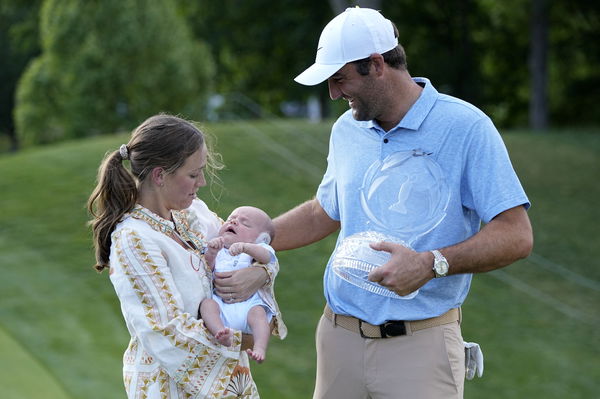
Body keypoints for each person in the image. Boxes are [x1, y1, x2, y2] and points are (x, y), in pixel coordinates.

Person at [271, 7, 533, 399]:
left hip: (421, 348)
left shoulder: (467, 127)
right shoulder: (346, 130)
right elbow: (324, 212)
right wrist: (257, 236)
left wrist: (431, 263)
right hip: (338, 338)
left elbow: (516, 235)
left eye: (340, 79)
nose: (333, 93)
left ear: (376, 65)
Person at [87, 114, 285, 399]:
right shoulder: (134, 239)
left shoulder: (193, 214)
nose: (202, 182)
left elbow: (252, 248)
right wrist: (247, 339)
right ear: (159, 175)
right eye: (193, 174)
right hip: (171, 388)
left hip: (234, 384)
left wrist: (263, 273)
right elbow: (164, 332)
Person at [200, 206, 283, 363]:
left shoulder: (258, 248)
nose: (234, 221)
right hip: (221, 306)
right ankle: (220, 332)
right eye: (231, 218)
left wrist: (247, 248)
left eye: (245, 223)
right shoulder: (220, 249)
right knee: (207, 305)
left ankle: (259, 347)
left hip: (248, 306)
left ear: (261, 239)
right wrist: (211, 253)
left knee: (259, 314)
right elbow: (207, 269)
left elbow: (267, 258)